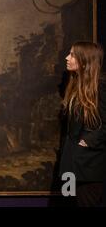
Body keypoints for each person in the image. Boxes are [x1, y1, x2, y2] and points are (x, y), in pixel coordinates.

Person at [60, 41, 106, 207]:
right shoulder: (74, 85)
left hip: (88, 167)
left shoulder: (101, 87)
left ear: (84, 60)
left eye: (72, 54)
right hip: (69, 166)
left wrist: (87, 142)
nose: (67, 58)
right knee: (67, 204)